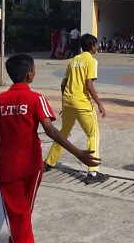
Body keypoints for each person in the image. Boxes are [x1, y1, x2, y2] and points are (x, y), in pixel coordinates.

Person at [0, 54, 101, 243]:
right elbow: (51, 131)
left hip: (8, 169)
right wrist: (78, 153)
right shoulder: (36, 99)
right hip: (32, 167)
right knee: (23, 214)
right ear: (29, 75)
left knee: (18, 217)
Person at [44, 33, 109, 184]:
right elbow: (89, 84)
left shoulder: (73, 60)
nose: (97, 47)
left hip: (68, 101)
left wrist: (65, 103)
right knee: (93, 134)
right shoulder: (91, 61)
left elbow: (63, 84)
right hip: (81, 103)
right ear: (92, 46)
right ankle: (93, 172)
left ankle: (49, 162)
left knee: (63, 133)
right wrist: (99, 103)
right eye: (96, 45)